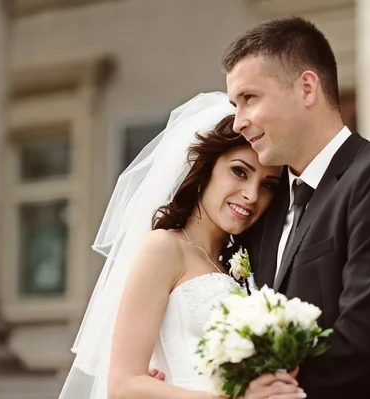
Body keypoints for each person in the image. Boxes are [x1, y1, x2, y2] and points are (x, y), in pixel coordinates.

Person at [223, 16, 370, 399]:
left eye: (249, 98)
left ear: (307, 88)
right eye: (235, 104)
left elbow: (366, 345)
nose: (237, 123)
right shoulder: (266, 205)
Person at [58, 93, 306, 399]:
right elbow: (123, 385)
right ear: (205, 171)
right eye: (239, 172)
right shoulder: (164, 248)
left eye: (267, 185)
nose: (252, 195)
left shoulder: (242, 267)